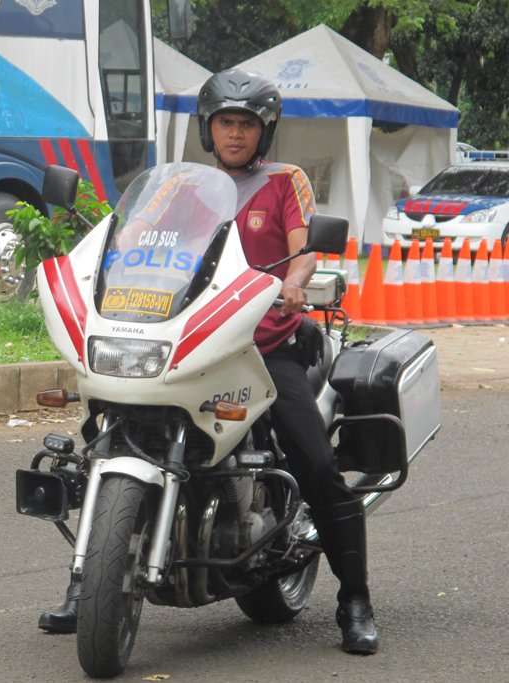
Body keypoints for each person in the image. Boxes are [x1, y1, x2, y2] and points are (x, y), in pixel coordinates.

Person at [39, 68, 379, 656]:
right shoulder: (182, 188)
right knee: (103, 432)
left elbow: (301, 252)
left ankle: (355, 599)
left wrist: (297, 283)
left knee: (316, 461)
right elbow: (130, 235)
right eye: (226, 122)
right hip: (187, 337)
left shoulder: (284, 182)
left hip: (265, 343)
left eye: (247, 124)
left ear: (264, 130)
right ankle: (86, 582)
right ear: (208, 128)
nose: (236, 134)